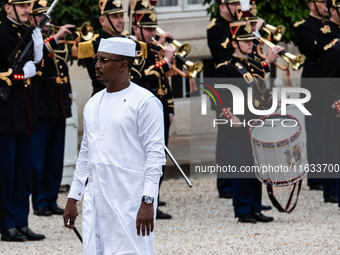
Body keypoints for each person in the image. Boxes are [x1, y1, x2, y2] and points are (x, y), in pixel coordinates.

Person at [63, 37, 165, 254]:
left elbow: (155, 156)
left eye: (104, 60)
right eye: (96, 59)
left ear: (123, 65)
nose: (97, 65)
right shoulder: (92, 103)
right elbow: (85, 155)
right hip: (96, 199)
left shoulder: (145, 102)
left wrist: (148, 201)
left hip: (130, 198)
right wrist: (73, 197)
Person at [215, 20, 274, 223]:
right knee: (241, 166)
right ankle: (243, 210)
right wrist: (229, 116)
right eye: (245, 41)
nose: (250, 44)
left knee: (255, 166)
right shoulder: (227, 68)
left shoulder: (256, 64)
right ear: (234, 43)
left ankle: (255, 207)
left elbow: (262, 93)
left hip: (256, 122)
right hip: (238, 125)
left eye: (251, 41)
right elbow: (218, 97)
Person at [0, 0, 45, 241]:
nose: (28, 10)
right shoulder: (1, 33)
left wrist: (39, 57)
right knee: (6, 174)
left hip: (27, 115)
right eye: (22, 5)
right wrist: (18, 74)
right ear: (8, 8)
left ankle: (21, 221)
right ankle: (7, 224)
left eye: (28, 5)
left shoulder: (28, 32)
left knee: (25, 172)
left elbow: (39, 69)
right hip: (6, 117)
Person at [130, 0, 175, 219]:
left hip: (160, 108)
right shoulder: (134, 47)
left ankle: (154, 201)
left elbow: (165, 83)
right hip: (144, 110)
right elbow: (141, 77)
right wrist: (164, 62)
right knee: (144, 158)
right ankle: (144, 202)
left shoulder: (155, 48)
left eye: (152, 29)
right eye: (147, 29)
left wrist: (170, 109)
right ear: (136, 27)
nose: (151, 33)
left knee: (159, 158)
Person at [28, 0, 74, 217]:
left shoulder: (54, 40)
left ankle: (52, 198)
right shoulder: (31, 38)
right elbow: (35, 59)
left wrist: (69, 94)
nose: (46, 22)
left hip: (58, 104)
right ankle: (39, 201)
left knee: (56, 156)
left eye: (47, 17)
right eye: (41, 17)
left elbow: (63, 69)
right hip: (42, 105)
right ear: (32, 18)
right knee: (40, 157)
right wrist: (53, 39)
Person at [294, 0, 329, 192]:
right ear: (311, 4)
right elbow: (317, 48)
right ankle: (317, 177)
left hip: (330, 82)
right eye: (322, 2)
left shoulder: (331, 26)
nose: (326, 6)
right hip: (314, 86)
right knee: (316, 132)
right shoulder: (304, 28)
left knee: (330, 132)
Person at [80, 0, 125, 96]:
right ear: (102, 21)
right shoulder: (93, 45)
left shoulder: (130, 42)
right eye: (115, 17)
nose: (120, 20)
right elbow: (98, 77)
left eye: (121, 16)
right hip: (104, 98)